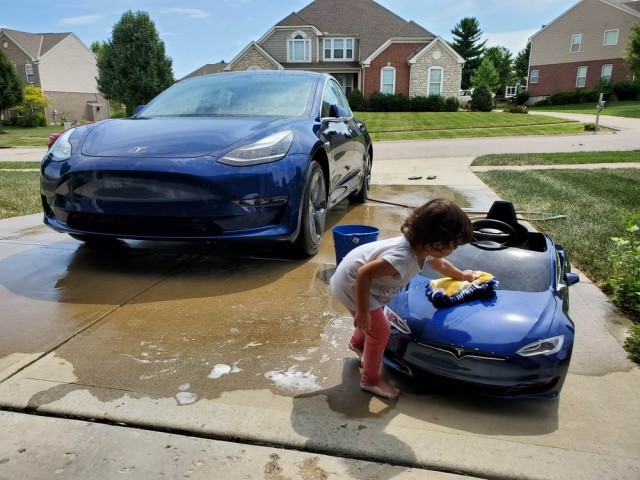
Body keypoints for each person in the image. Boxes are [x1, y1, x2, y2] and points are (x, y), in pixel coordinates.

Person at [330, 198, 476, 399]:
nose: (455, 249)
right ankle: (370, 380)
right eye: (455, 245)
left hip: (363, 282)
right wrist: (362, 311)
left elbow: (440, 264)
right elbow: (364, 274)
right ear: (437, 244)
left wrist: (462, 275)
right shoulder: (403, 257)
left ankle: (357, 343)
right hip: (352, 283)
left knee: (372, 321)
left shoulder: (423, 247)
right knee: (380, 330)